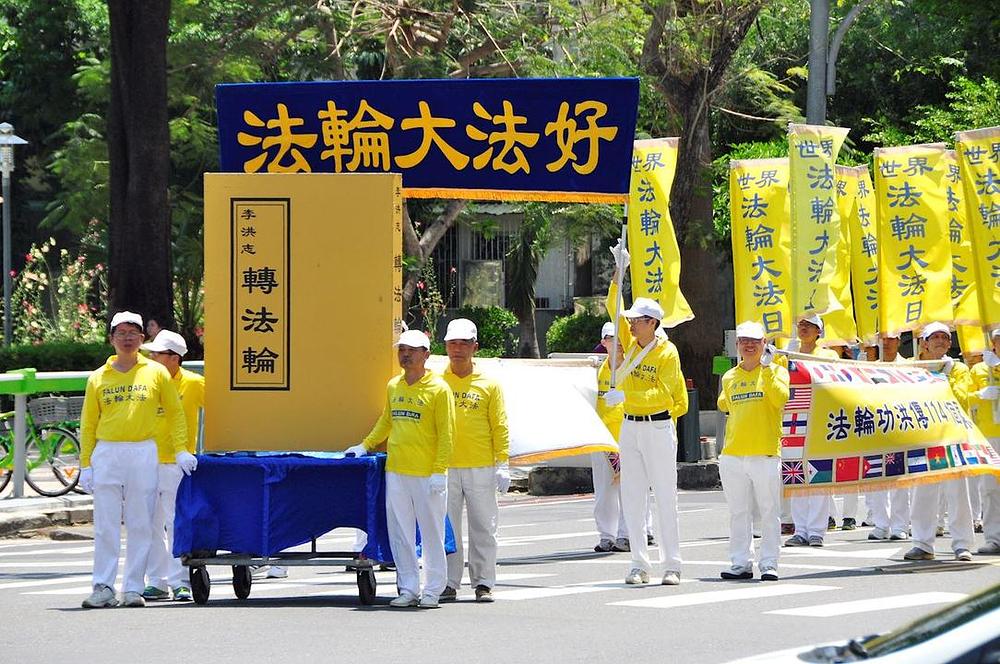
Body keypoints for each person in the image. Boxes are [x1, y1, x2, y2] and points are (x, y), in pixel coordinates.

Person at [78, 312, 194, 609]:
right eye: (121, 333)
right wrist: (85, 464)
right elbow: (89, 423)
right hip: (108, 452)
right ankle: (102, 586)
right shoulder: (98, 378)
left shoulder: (155, 373)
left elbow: (174, 412)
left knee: (141, 523)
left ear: (142, 339)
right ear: (111, 338)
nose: (127, 338)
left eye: (133, 333)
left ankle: (133, 588)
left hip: (144, 451)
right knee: (105, 524)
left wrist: (181, 448)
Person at [346, 329, 455, 608]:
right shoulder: (395, 385)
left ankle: (432, 589)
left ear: (426, 354)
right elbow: (387, 420)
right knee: (401, 532)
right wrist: (365, 445)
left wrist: (439, 471)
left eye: (412, 350)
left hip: (427, 473)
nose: (405, 355)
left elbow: (446, 434)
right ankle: (408, 587)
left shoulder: (439, 389)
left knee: (431, 534)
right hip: (397, 470)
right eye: (402, 350)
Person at [605, 246, 688, 587]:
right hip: (630, 428)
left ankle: (672, 564)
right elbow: (614, 308)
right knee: (633, 496)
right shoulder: (632, 343)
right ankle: (639, 563)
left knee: (665, 496)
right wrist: (618, 273)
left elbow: (665, 396)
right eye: (632, 320)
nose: (631, 324)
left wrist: (627, 395)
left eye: (637, 320)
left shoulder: (667, 353)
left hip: (656, 427)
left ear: (652, 323)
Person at [438, 318, 509, 603]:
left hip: (481, 465)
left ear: (475, 347)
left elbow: (500, 425)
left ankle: (483, 582)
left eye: (464, 344)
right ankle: (447, 582)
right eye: (453, 343)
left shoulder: (489, 385)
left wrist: (502, 463)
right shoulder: (437, 382)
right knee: (448, 529)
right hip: (445, 465)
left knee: (484, 526)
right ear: (445, 346)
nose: (458, 349)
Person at [716, 322, 789, 581]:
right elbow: (724, 404)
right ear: (737, 345)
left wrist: (767, 369)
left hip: (765, 452)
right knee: (738, 511)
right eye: (744, 341)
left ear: (764, 344)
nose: (749, 345)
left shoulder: (777, 371)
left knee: (769, 511)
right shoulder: (729, 377)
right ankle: (740, 563)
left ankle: (769, 563)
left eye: (755, 341)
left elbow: (781, 399)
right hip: (733, 453)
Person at [140, 330, 205, 602]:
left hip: (177, 464)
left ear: (175, 358)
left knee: (175, 523)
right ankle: (156, 581)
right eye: (151, 353)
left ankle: (180, 582)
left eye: (158, 353)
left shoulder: (194, 383)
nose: (152, 357)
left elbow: (219, 410)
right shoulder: (144, 381)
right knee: (148, 524)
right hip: (144, 461)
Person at [904, 322, 975, 562]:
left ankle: (962, 544)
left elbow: (961, 399)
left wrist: (944, 378)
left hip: (952, 436)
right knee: (922, 492)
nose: (941, 341)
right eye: (935, 337)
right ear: (923, 342)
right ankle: (923, 543)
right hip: (923, 436)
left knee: (957, 493)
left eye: (945, 338)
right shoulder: (913, 368)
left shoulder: (958, 369)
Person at [592, 322, 654, 553]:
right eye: (610, 338)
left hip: (630, 435)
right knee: (604, 492)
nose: (616, 342)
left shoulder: (632, 367)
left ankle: (629, 534)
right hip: (603, 439)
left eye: (620, 338)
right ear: (603, 342)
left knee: (631, 489)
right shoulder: (597, 372)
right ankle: (606, 535)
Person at [781, 315, 839, 548]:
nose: (804, 329)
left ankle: (816, 530)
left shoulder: (829, 356)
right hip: (794, 420)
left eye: (810, 326)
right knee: (796, 474)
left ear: (819, 331)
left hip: (821, 419)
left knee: (819, 475)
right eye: (801, 325)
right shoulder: (788, 355)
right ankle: (800, 528)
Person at [865, 332, 912, 541]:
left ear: (899, 341)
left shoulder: (908, 366)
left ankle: (900, 525)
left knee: (899, 479)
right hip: (874, 426)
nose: (887, 342)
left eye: (892, 338)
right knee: (876, 478)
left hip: (900, 426)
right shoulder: (868, 367)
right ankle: (881, 524)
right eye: (883, 338)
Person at [970, 329, 1000, 555]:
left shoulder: (993, 366)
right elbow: (964, 396)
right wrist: (980, 394)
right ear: (993, 343)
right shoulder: (979, 369)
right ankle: (994, 538)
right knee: (989, 488)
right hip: (988, 434)